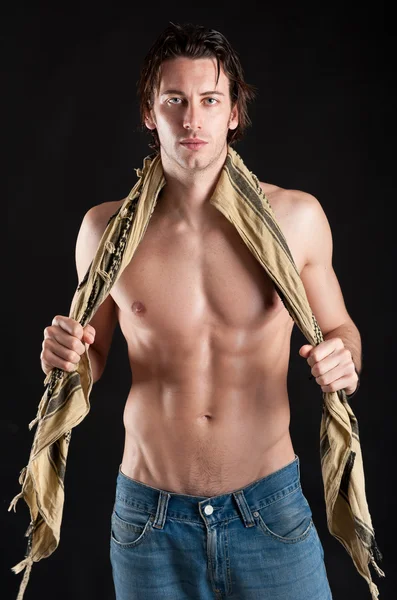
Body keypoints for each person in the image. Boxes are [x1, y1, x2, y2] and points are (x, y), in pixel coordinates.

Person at [40, 22, 361, 600]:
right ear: (149, 112)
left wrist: (344, 359)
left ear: (233, 112)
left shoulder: (295, 220)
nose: (192, 119)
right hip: (149, 519)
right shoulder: (106, 231)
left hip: (268, 509)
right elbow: (94, 357)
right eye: (175, 101)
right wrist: (67, 360)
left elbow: (340, 330)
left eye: (210, 100)